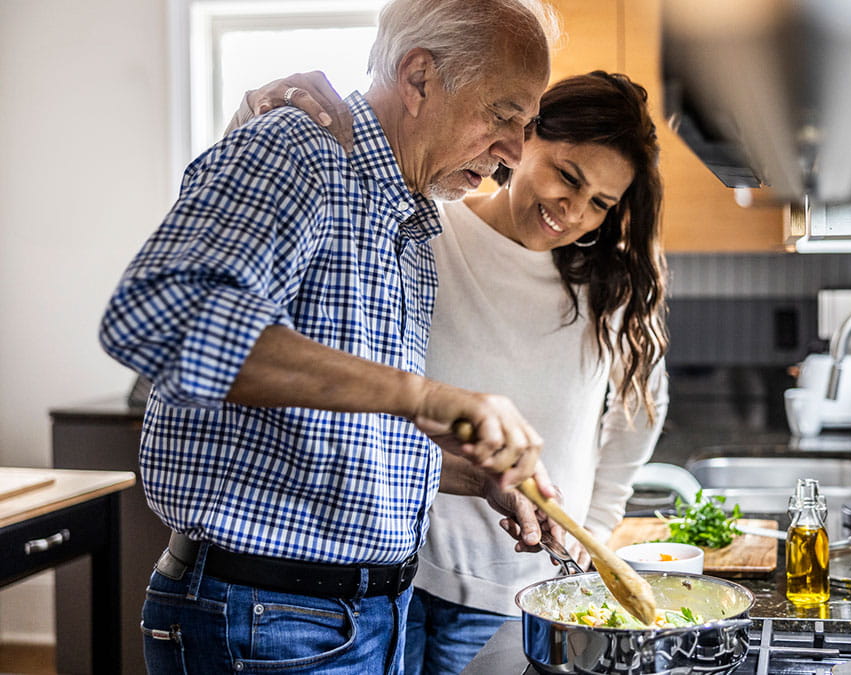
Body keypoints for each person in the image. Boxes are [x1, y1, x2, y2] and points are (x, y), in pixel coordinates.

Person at [97, 1, 562, 673]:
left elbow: (335, 434)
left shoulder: (407, 221)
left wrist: (476, 474)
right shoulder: (299, 148)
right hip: (269, 619)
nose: (515, 152)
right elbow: (161, 316)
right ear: (419, 77)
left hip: (364, 616)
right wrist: (426, 397)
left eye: (526, 125)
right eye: (502, 116)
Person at [233, 69, 670, 673]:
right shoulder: (428, 228)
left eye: (601, 202)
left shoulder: (611, 286)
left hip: (526, 592)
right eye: (567, 176)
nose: (573, 212)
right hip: (393, 578)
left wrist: (592, 535)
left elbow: (638, 420)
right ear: (524, 138)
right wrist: (250, 124)